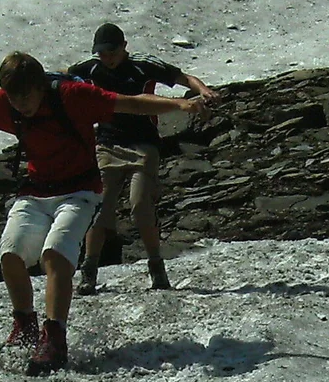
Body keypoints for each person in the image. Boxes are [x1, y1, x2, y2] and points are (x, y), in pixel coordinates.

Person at [0, 53, 204, 374]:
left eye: (26, 97)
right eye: (14, 99)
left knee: (55, 254)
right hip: (36, 190)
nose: (21, 106)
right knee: (10, 253)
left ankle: (54, 338)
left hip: (80, 191)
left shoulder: (72, 95)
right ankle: (25, 324)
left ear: (41, 86)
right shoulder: (5, 102)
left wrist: (180, 103)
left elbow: (128, 103)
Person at [67, 22, 217, 294]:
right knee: (99, 208)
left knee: (140, 205)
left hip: (144, 145)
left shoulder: (143, 65)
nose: (107, 58)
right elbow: (63, 78)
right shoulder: (89, 68)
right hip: (107, 145)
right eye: (102, 53)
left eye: (111, 52)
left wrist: (202, 90)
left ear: (124, 47)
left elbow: (183, 77)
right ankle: (89, 271)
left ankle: (156, 267)